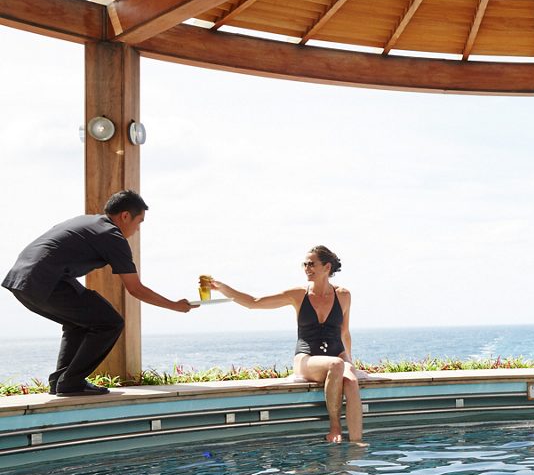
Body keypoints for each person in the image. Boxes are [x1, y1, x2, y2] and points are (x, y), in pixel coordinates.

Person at [3, 190, 193, 396]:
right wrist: (175, 305)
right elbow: (135, 288)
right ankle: (71, 382)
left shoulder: (88, 222)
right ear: (125, 216)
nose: (137, 229)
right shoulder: (112, 236)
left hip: (21, 282)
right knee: (110, 322)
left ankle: (61, 381)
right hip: (46, 281)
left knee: (79, 323)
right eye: (139, 222)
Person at [208, 246, 363, 444]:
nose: (307, 268)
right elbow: (254, 302)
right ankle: (334, 428)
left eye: (311, 264)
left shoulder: (343, 295)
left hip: (337, 355)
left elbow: (344, 332)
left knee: (350, 380)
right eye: (304, 264)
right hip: (307, 359)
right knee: (335, 365)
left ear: (326, 267)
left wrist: (350, 361)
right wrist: (222, 287)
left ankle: (357, 444)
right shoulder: (298, 295)